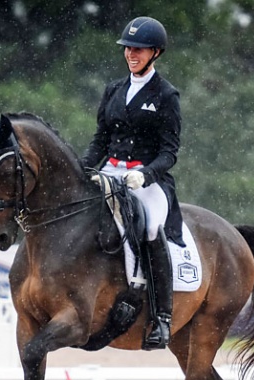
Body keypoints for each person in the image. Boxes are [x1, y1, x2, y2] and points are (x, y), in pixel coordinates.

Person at [81, 16, 184, 350]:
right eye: (128, 49)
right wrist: (82, 167)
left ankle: (162, 318)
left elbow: (170, 152)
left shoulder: (166, 95)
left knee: (151, 228)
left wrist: (146, 174)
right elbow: (100, 140)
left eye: (138, 49)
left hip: (147, 181)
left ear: (155, 52)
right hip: (109, 173)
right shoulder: (114, 89)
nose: (131, 54)